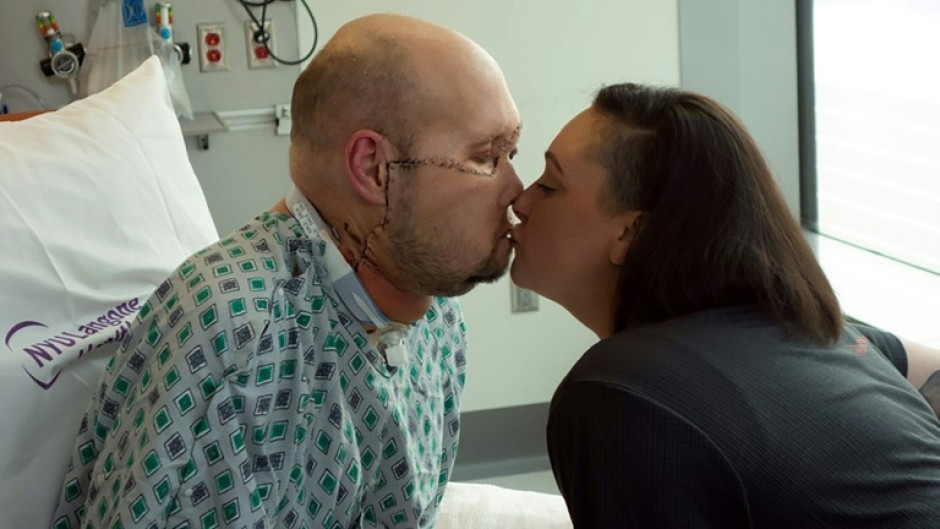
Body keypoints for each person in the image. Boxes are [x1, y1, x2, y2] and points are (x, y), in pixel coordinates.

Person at [51, 14, 522, 529]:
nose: (517, 191)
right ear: (374, 168)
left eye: (512, 152)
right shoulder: (238, 342)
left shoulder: (436, 317)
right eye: (487, 156)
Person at [509, 82, 940, 527]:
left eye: (549, 185)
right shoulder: (823, 336)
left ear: (630, 232)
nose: (520, 201)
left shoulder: (619, 393)